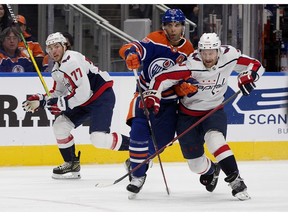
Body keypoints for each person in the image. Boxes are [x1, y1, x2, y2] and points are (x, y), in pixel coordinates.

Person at [142, 32, 265, 200]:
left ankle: (236, 181)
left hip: (213, 111)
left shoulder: (229, 56)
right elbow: (162, 78)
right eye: (204, 53)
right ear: (199, 51)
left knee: (215, 139)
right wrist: (153, 95)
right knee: (195, 165)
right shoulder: (191, 64)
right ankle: (213, 170)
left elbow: (255, 64)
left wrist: (248, 76)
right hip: (187, 116)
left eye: (211, 53)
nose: (208, 57)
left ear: (218, 51)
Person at [22, 32, 130, 179]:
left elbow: (84, 92)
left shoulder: (71, 61)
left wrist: (60, 104)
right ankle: (71, 163)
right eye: (50, 48)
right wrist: (41, 99)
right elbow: (58, 92)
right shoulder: (57, 69)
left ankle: (139, 150)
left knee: (98, 138)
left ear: (64, 46)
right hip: (84, 100)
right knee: (60, 126)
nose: (54, 51)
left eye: (57, 46)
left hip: (100, 96)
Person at [119, 9, 195, 198]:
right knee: (138, 133)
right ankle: (137, 176)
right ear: (163, 26)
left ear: (183, 27)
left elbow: (186, 78)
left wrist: (184, 88)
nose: (173, 29)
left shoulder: (189, 51)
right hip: (144, 95)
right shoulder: (155, 39)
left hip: (169, 102)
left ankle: (138, 163)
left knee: (162, 142)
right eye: (169, 25)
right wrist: (130, 54)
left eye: (176, 25)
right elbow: (132, 47)